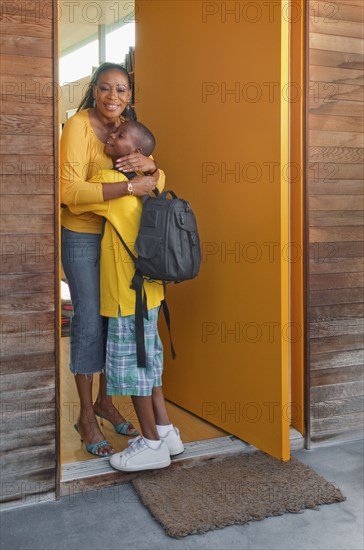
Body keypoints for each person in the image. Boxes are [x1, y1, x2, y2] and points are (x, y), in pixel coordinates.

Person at [60, 62, 165, 457]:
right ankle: (87, 416)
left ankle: (107, 401)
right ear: (94, 90)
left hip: (119, 240)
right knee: (88, 320)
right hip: (84, 236)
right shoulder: (77, 127)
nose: (113, 98)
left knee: (114, 317)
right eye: (105, 88)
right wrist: (128, 186)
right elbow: (67, 190)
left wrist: (151, 168)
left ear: (129, 96)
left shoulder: (130, 130)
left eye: (121, 90)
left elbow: (158, 180)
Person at [68, 120, 184, 472]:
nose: (111, 137)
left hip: (124, 297)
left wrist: (127, 181)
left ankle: (150, 444)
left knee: (135, 372)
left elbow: (72, 201)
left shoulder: (109, 183)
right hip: (149, 294)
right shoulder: (151, 187)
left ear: (135, 154)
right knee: (149, 367)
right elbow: (156, 179)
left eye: (119, 137)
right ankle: (166, 433)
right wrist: (149, 174)